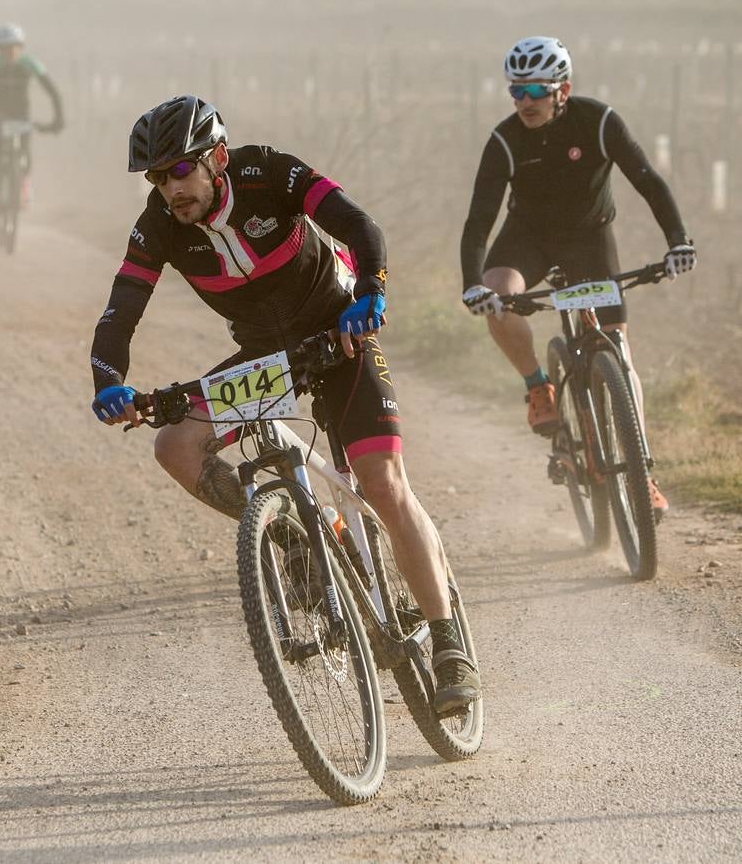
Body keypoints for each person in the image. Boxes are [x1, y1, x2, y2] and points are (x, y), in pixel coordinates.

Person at [88, 95, 480, 713]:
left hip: (338, 330)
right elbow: (120, 311)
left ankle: (449, 644)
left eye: (180, 170)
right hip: (265, 356)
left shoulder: (268, 171)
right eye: (157, 178)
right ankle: (294, 543)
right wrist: (108, 380)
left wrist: (371, 289)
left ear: (216, 158)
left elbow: (360, 227)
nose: (170, 189)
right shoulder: (159, 224)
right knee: (175, 445)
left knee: (381, 482)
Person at [459, 36, 696, 520]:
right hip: (528, 239)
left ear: (562, 89)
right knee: (498, 296)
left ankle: (642, 475)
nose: (524, 102)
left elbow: (648, 180)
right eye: (516, 92)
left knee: (620, 356)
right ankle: (538, 385)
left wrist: (678, 241)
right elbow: (480, 218)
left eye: (535, 91)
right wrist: (472, 282)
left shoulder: (599, 121)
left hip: (590, 239)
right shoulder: (505, 140)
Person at [0, 23, 63, 217]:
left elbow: (53, 92)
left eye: (15, 46)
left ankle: (25, 186)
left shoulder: (30, 63)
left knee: (24, 147)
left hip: (20, 112)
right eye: (5, 48)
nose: (11, 51)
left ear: (21, 47)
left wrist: (58, 119)